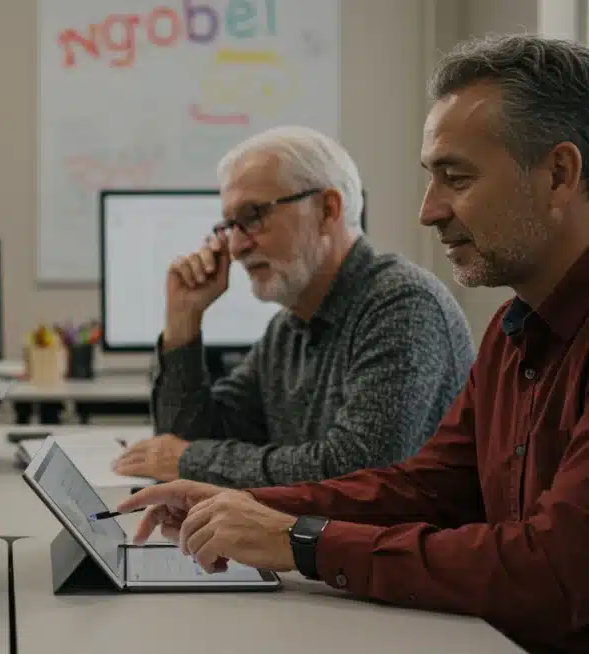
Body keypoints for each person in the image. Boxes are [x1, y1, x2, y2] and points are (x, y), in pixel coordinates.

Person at [116, 34, 589, 654]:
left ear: (558, 174)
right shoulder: (514, 331)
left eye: (456, 177)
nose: (428, 211)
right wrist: (244, 501)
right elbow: (423, 488)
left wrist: (300, 539)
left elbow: (550, 571)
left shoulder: (405, 305)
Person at [113, 126, 474, 485]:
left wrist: (190, 461)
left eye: (253, 216)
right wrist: (183, 321)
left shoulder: (404, 305)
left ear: (327, 210)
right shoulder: (289, 327)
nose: (236, 247)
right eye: (230, 225)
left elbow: (355, 473)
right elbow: (187, 442)